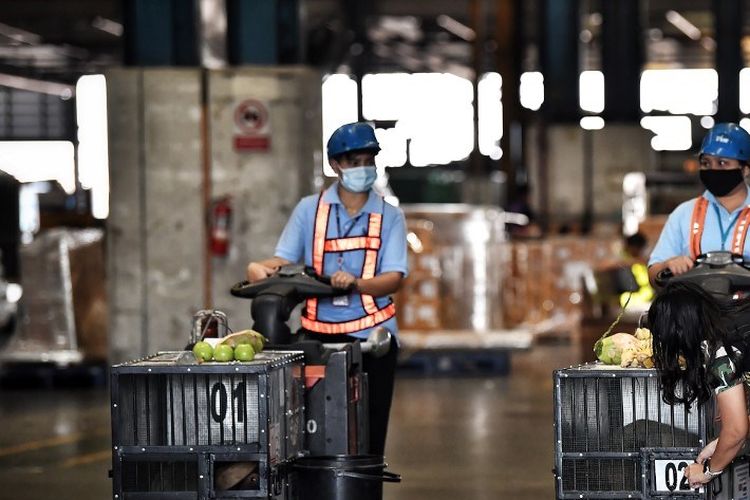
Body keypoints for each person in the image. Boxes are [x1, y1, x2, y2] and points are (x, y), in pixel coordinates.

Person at [245, 122, 408, 456]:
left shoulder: (389, 216)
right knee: (311, 434)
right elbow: (283, 260)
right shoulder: (309, 210)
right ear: (336, 165)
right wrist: (261, 269)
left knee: (368, 436)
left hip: (371, 342)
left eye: (367, 160)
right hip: (317, 339)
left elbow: (394, 277)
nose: (362, 168)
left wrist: (357, 283)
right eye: (353, 161)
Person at [648, 281, 750, 489]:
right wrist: (721, 444)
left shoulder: (720, 350)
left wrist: (708, 471)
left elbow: (736, 430)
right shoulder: (735, 321)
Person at [648, 123, 750, 286]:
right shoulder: (684, 214)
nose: (712, 169)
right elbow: (653, 274)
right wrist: (668, 265)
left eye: (722, 163)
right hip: (695, 309)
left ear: (745, 169)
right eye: (706, 163)